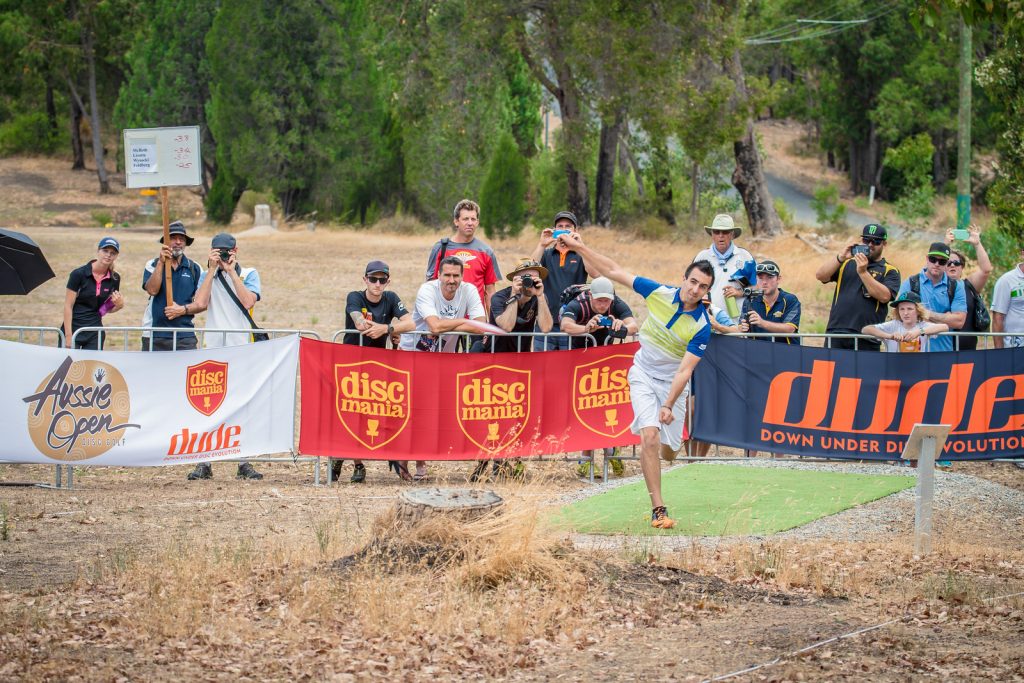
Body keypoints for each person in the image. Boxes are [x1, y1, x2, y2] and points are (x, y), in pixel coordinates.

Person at [564, 232, 714, 529]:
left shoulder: (702, 326)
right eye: (693, 281)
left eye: (703, 287)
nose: (695, 289)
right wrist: (579, 247)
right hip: (643, 374)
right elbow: (614, 270)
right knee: (649, 436)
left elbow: (685, 371)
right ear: (684, 279)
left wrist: (669, 404)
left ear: (708, 291)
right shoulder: (658, 292)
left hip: (672, 383)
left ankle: (670, 444)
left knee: (669, 452)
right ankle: (658, 509)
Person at [184, 232, 264, 481]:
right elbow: (200, 302)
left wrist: (231, 272)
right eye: (218, 251)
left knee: (242, 404)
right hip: (214, 348)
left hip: (241, 346)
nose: (223, 256)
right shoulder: (208, 274)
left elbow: (249, 300)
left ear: (235, 251)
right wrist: (211, 271)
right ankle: (204, 462)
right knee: (209, 404)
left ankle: (244, 461)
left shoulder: (248, 273)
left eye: (226, 251)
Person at [400, 255, 487, 480]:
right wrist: (464, 322)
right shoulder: (427, 290)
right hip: (413, 355)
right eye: (446, 275)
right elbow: (434, 325)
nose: (451, 280)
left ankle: (420, 458)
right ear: (438, 276)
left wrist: (464, 323)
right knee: (411, 411)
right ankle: (404, 461)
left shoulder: (468, 290)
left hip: (442, 360)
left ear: (462, 276)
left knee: (430, 411)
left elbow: (481, 324)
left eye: (455, 276)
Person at [336, 260, 415, 483]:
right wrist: (383, 329)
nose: (377, 284)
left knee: (373, 412)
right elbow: (358, 322)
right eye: (373, 279)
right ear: (365, 280)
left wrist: (389, 329)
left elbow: (411, 323)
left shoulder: (391, 298)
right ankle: (352, 462)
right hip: (351, 363)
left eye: (382, 280)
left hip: (377, 365)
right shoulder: (355, 296)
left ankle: (367, 460)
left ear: (388, 281)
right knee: (351, 413)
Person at [560, 276, 639, 478]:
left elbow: (634, 326)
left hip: (606, 362)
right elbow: (566, 325)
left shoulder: (617, 303)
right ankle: (586, 459)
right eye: (599, 300)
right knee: (586, 409)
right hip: (580, 360)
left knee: (608, 407)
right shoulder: (579, 303)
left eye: (606, 300)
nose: (603, 304)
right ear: (591, 296)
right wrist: (587, 328)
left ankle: (613, 453)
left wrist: (620, 327)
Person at [815, 223, 901, 351]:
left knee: (862, 371)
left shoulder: (890, 270)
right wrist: (841, 257)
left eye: (876, 241)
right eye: (866, 240)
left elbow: (884, 296)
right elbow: (821, 276)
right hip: (837, 330)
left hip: (867, 334)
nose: (870, 245)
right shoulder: (846, 263)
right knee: (832, 371)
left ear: (884, 244)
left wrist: (863, 272)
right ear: (861, 240)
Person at [425, 199, 501, 318]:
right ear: (456, 221)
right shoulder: (441, 248)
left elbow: (490, 292)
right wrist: (431, 319)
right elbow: (430, 286)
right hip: (446, 319)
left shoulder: (486, 252)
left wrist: (492, 324)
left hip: (474, 320)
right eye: (465, 219)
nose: (470, 223)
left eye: (473, 219)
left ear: (477, 222)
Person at [530, 211, 590, 350]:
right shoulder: (545, 254)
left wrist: (580, 247)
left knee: (569, 369)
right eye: (560, 226)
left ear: (575, 230)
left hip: (572, 322)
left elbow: (595, 272)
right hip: (545, 323)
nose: (563, 230)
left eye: (568, 226)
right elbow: (529, 271)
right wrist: (541, 244)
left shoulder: (581, 255)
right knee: (542, 369)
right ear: (554, 229)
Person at [142, 220, 203, 351]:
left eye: (181, 239)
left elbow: (202, 303)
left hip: (185, 335)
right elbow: (152, 290)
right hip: (154, 333)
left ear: (186, 243)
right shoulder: (152, 264)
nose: (178, 242)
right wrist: (161, 263)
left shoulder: (195, 268)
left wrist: (182, 310)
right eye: (173, 238)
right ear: (165, 242)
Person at [895, 242, 966, 353]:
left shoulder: (956, 286)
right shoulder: (911, 282)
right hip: (913, 351)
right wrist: (945, 319)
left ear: (947, 263)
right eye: (933, 259)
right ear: (927, 259)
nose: (937, 264)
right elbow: (900, 316)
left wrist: (925, 314)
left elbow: (959, 322)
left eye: (942, 261)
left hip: (943, 352)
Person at [476, 259, 553, 352]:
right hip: (495, 353)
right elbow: (507, 327)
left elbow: (546, 328)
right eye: (527, 277)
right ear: (516, 279)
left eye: (535, 278)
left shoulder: (539, 298)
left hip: (521, 355)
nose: (530, 282)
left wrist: (540, 296)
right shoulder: (500, 297)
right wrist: (514, 294)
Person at [63, 237, 124, 349]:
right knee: (68, 366)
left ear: (116, 256)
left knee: (92, 366)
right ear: (98, 251)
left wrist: (119, 306)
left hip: (95, 332)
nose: (108, 255)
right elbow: (68, 306)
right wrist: (68, 336)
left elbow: (104, 310)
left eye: (113, 253)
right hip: (73, 329)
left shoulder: (115, 278)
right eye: (105, 251)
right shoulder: (78, 274)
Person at [693, 214, 753, 323]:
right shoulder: (702, 257)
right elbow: (690, 286)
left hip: (738, 323)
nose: (721, 235)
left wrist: (739, 292)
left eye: (725, 232)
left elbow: (757, 287)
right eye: (716, 232)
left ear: (732, 234)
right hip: (706, 320)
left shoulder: (744, 257)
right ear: (712, 234)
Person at [945, 225, 994, 350]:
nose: (952, 265)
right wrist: (945, 244)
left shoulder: (968, 285)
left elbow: (986, 270)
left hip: (967, 351)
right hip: (941, 349)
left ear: (962, 267)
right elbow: (928, 268)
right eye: (947, 262)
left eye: (956, 263)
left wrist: (977, 244)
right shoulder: (932, 285)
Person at [862, 291, 949, 352]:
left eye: (910, 309)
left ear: (918, 310)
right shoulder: (893, 325)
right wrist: (889, 336)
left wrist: (919, 332)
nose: (905, 313)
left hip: (917, 369)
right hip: (894, 368)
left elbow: (945, 327)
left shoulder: (922, 325)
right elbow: (866, 329)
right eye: (902, 309)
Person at [738, 260, 801, 344]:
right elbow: (740, 328)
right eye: (760, 278)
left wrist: (762, 323)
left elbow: (790, 329)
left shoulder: (790, 300)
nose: (764, 282)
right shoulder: (750, 300)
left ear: (778, 279)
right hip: (757, 352)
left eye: (770, 277)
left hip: (786, 353)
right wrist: (743, 327)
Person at [991, 243, 1024, 349]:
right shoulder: (1007, 280)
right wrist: (1000, 353)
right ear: (1023, 254)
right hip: (1015, 347)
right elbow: (997, 317)